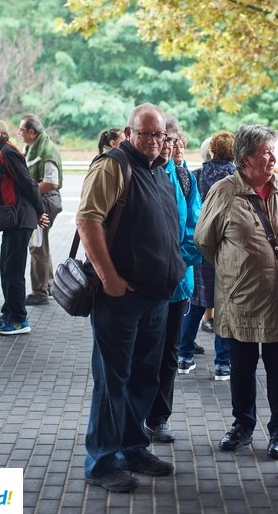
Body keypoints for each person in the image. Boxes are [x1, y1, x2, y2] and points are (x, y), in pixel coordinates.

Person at [76, 103, 185, 492]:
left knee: (143, 378)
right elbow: (87, 221)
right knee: (112, 380)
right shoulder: (113, 166)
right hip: (120, 298)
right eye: (146, 134)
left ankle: (134, 447)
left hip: (156, 298)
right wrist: (109, 278)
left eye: (160, 136)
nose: (154, 142)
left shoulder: (158, 171)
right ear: (129, 132)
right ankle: (102, 462)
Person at [195, 125, 278, 459]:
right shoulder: (224, 191)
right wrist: (235, 269)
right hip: (240, 297)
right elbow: (204, 241)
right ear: (247, 157)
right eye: (267, 152)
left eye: (273, 150)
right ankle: (243, 425)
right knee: (242, 365)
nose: (273, 157)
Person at [145, 118, 202, 444]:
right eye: (163, 139)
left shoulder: (183, 178)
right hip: (147, 285)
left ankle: (158, 417)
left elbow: (195, 224)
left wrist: (181, 262)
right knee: (144, 354)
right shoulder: (141, 173)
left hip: (178, 283)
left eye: (172, 140)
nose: (168, 145)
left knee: (168, 354)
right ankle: (136, 418)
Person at [0, 118, 48, 334]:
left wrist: (40, 211)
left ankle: (19, 320)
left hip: (20, 218)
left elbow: (27, 182)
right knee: (6, 268)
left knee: (13, 270)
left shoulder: (7, 152)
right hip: (12, 220)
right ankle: (9, 313)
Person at [178, 130, 234, 380]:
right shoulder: (238, 178)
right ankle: (223, 363)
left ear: (211, 151)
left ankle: (184, 355)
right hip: (230, 250)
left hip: (202, 247)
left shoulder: (197, 175)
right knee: (224, 306)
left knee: (197, 303)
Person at [19, 114, 63, 305]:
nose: (19, 133)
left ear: (31, 131)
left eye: (21, 130)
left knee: (37, 247)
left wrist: (29, 188)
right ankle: (49, 284)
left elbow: (52, 183)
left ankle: (40, 292)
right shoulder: (32, 147)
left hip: (45, 202)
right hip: (40, 200)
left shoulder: (46, 150)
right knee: (42, 245)